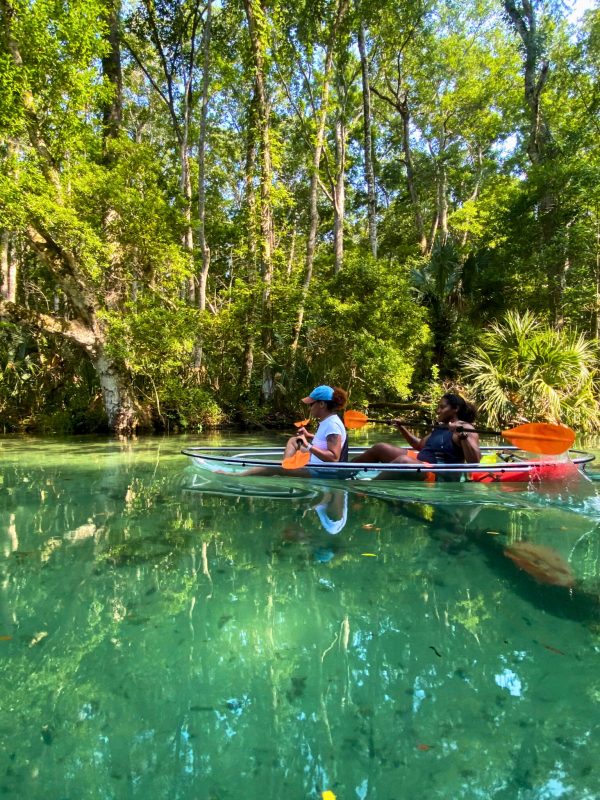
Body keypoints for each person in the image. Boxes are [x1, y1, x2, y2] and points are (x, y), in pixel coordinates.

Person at [351, 393, 481, 480]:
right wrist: (402, 428)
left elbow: (474, 462)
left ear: (456, 409)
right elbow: (419, 445)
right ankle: (345, 471)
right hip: (423, 462)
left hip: (438, 474)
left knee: (403, 461)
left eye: (442, 407)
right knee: (380, 447)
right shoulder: (442, 426)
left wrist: (463, 435)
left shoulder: (466, 428)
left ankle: (369, 487)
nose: (438, 411)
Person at [284, 385, 348, 466]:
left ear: (321, 404)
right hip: (316, 462)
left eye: (311, 404)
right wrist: (309, 435)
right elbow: (325, 442)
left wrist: (307, 445)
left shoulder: (332, 425)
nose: (309, 408)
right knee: (293, 441)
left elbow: (334, 458)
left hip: (321, 472)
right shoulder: (327, 420)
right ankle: (285, 467)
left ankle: (285, 469)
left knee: (271, 470)